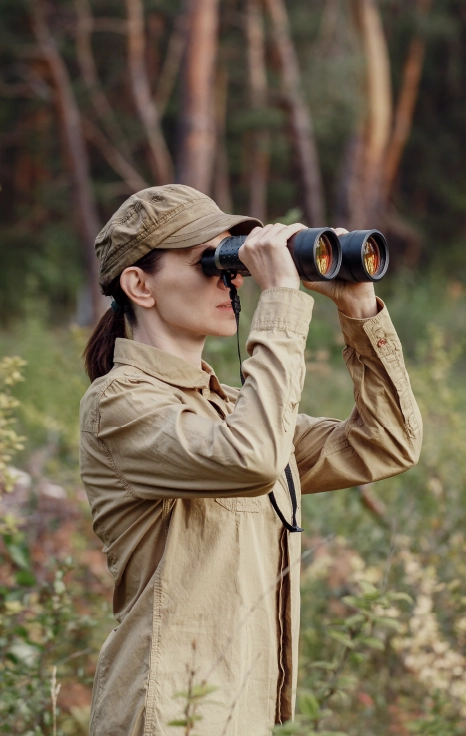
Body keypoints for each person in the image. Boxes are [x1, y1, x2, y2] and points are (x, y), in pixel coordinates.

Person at [80, 184, 422, 736]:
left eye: (233, 259)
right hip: (168, 716)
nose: (231, 275)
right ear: (139, 285)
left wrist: (359, 310)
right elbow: (254, 459)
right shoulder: (119, 404)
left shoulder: (234, 408)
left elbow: (386, 443)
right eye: (209, 261)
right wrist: (283, 302)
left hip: (240, 714)